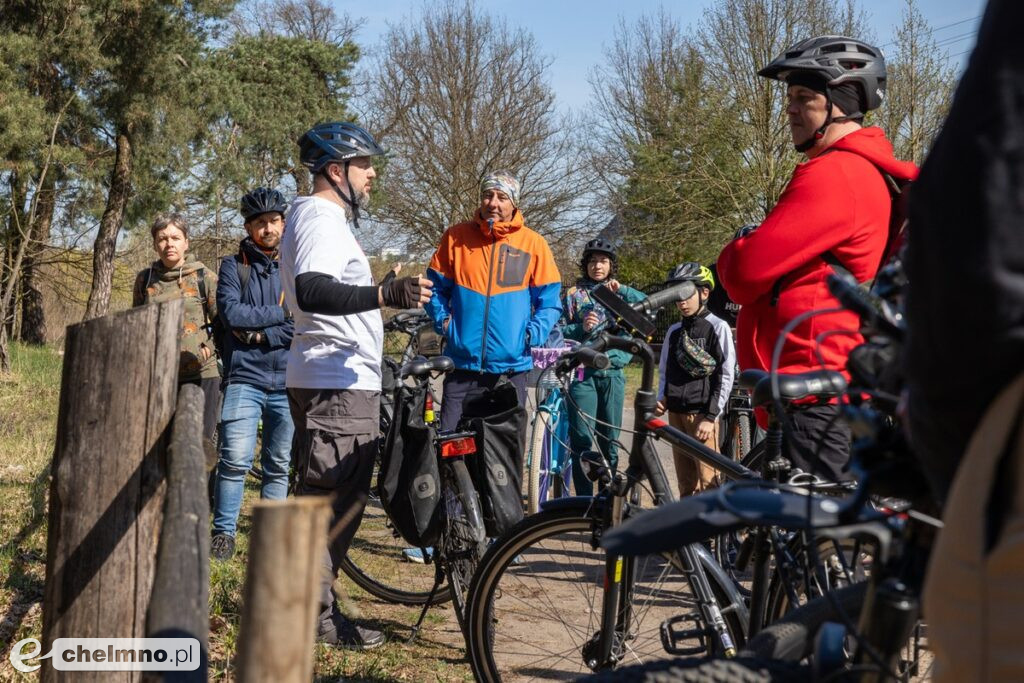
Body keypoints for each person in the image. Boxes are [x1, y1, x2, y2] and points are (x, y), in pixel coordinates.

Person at [717, 35, 918, 482]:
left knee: (815, 544)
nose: (789, 109)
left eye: (804, 97)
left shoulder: (836, 175)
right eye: (789, 97)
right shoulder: (855, 170)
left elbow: (744, 275)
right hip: (819, 383)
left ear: (841, 105)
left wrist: (736, 246)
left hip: (812, 389)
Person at [282, 121, 431, 650]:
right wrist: (385, 292)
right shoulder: (321, 217)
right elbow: (314, 290)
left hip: (332, 379)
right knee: (332, 505)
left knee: (325, 501)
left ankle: (306, 611)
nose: (372, 176)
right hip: (335, 385)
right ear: (335, 170)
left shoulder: (320, 219)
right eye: (365, 165)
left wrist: (381, 311)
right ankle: (309, 620)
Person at [425, 170, 562, 431]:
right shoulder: (456, 238)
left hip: (510, 370)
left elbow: (550, 301)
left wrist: (531, 334)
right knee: (450, 446)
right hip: (462, 364)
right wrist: (444, 322)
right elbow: (433, 289)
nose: (493, 203)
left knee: (505, 454)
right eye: (488, 195)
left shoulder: (533, 244)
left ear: (514, 203)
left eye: (502, 197)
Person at [209, 188, 294, 561]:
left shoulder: (297, 264)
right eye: (260, 222)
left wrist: (260, 333)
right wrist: (281, 318)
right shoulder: (234, 266)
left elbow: (304, 322)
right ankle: (223, 534)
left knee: (278, 464)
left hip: (289, 379)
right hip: (244, 376)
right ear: (248, 226)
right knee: (235, 460)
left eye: (274, 221)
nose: (268, 228)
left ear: (283, 223)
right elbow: (232, 315)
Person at [132, 213, 221, 464]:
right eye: (162, 239)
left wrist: (208, 347)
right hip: (158, 378)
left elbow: (223, 325)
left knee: (199, 448)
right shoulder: (145, 279)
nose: (169, 244)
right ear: (154, 244)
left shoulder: (205, 277)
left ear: (186, 243)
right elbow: (137, 325)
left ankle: (201, 501)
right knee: (158, 446)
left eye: (175, 238)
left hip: (202, 376)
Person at [560, 238, 645, 495]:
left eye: (604, 261)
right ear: (586, 264)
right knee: (582, 440)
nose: (598, 266)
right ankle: (583, 500)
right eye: (593, 261)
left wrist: (625, 291)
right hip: (583, 375)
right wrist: (580, 327)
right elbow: (558, 330)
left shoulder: (620, 292)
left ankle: (610, 497)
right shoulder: (573, 295)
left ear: (611, 265)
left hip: (612, 374)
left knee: (610, 440)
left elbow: (648, 312)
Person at [655, 263, 735, 496]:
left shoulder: (717, 327)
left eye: (686, 292)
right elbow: (664, 371)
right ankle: (689, 531)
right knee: (686, 483)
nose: (681, 300)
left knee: (709, 480)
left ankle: (712, 531)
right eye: (676, 294)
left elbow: (725, 374)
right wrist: (662, 398)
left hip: (701, 415)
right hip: (676, 414)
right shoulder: (674, 331)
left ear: (704, 292)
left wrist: (710, 416)